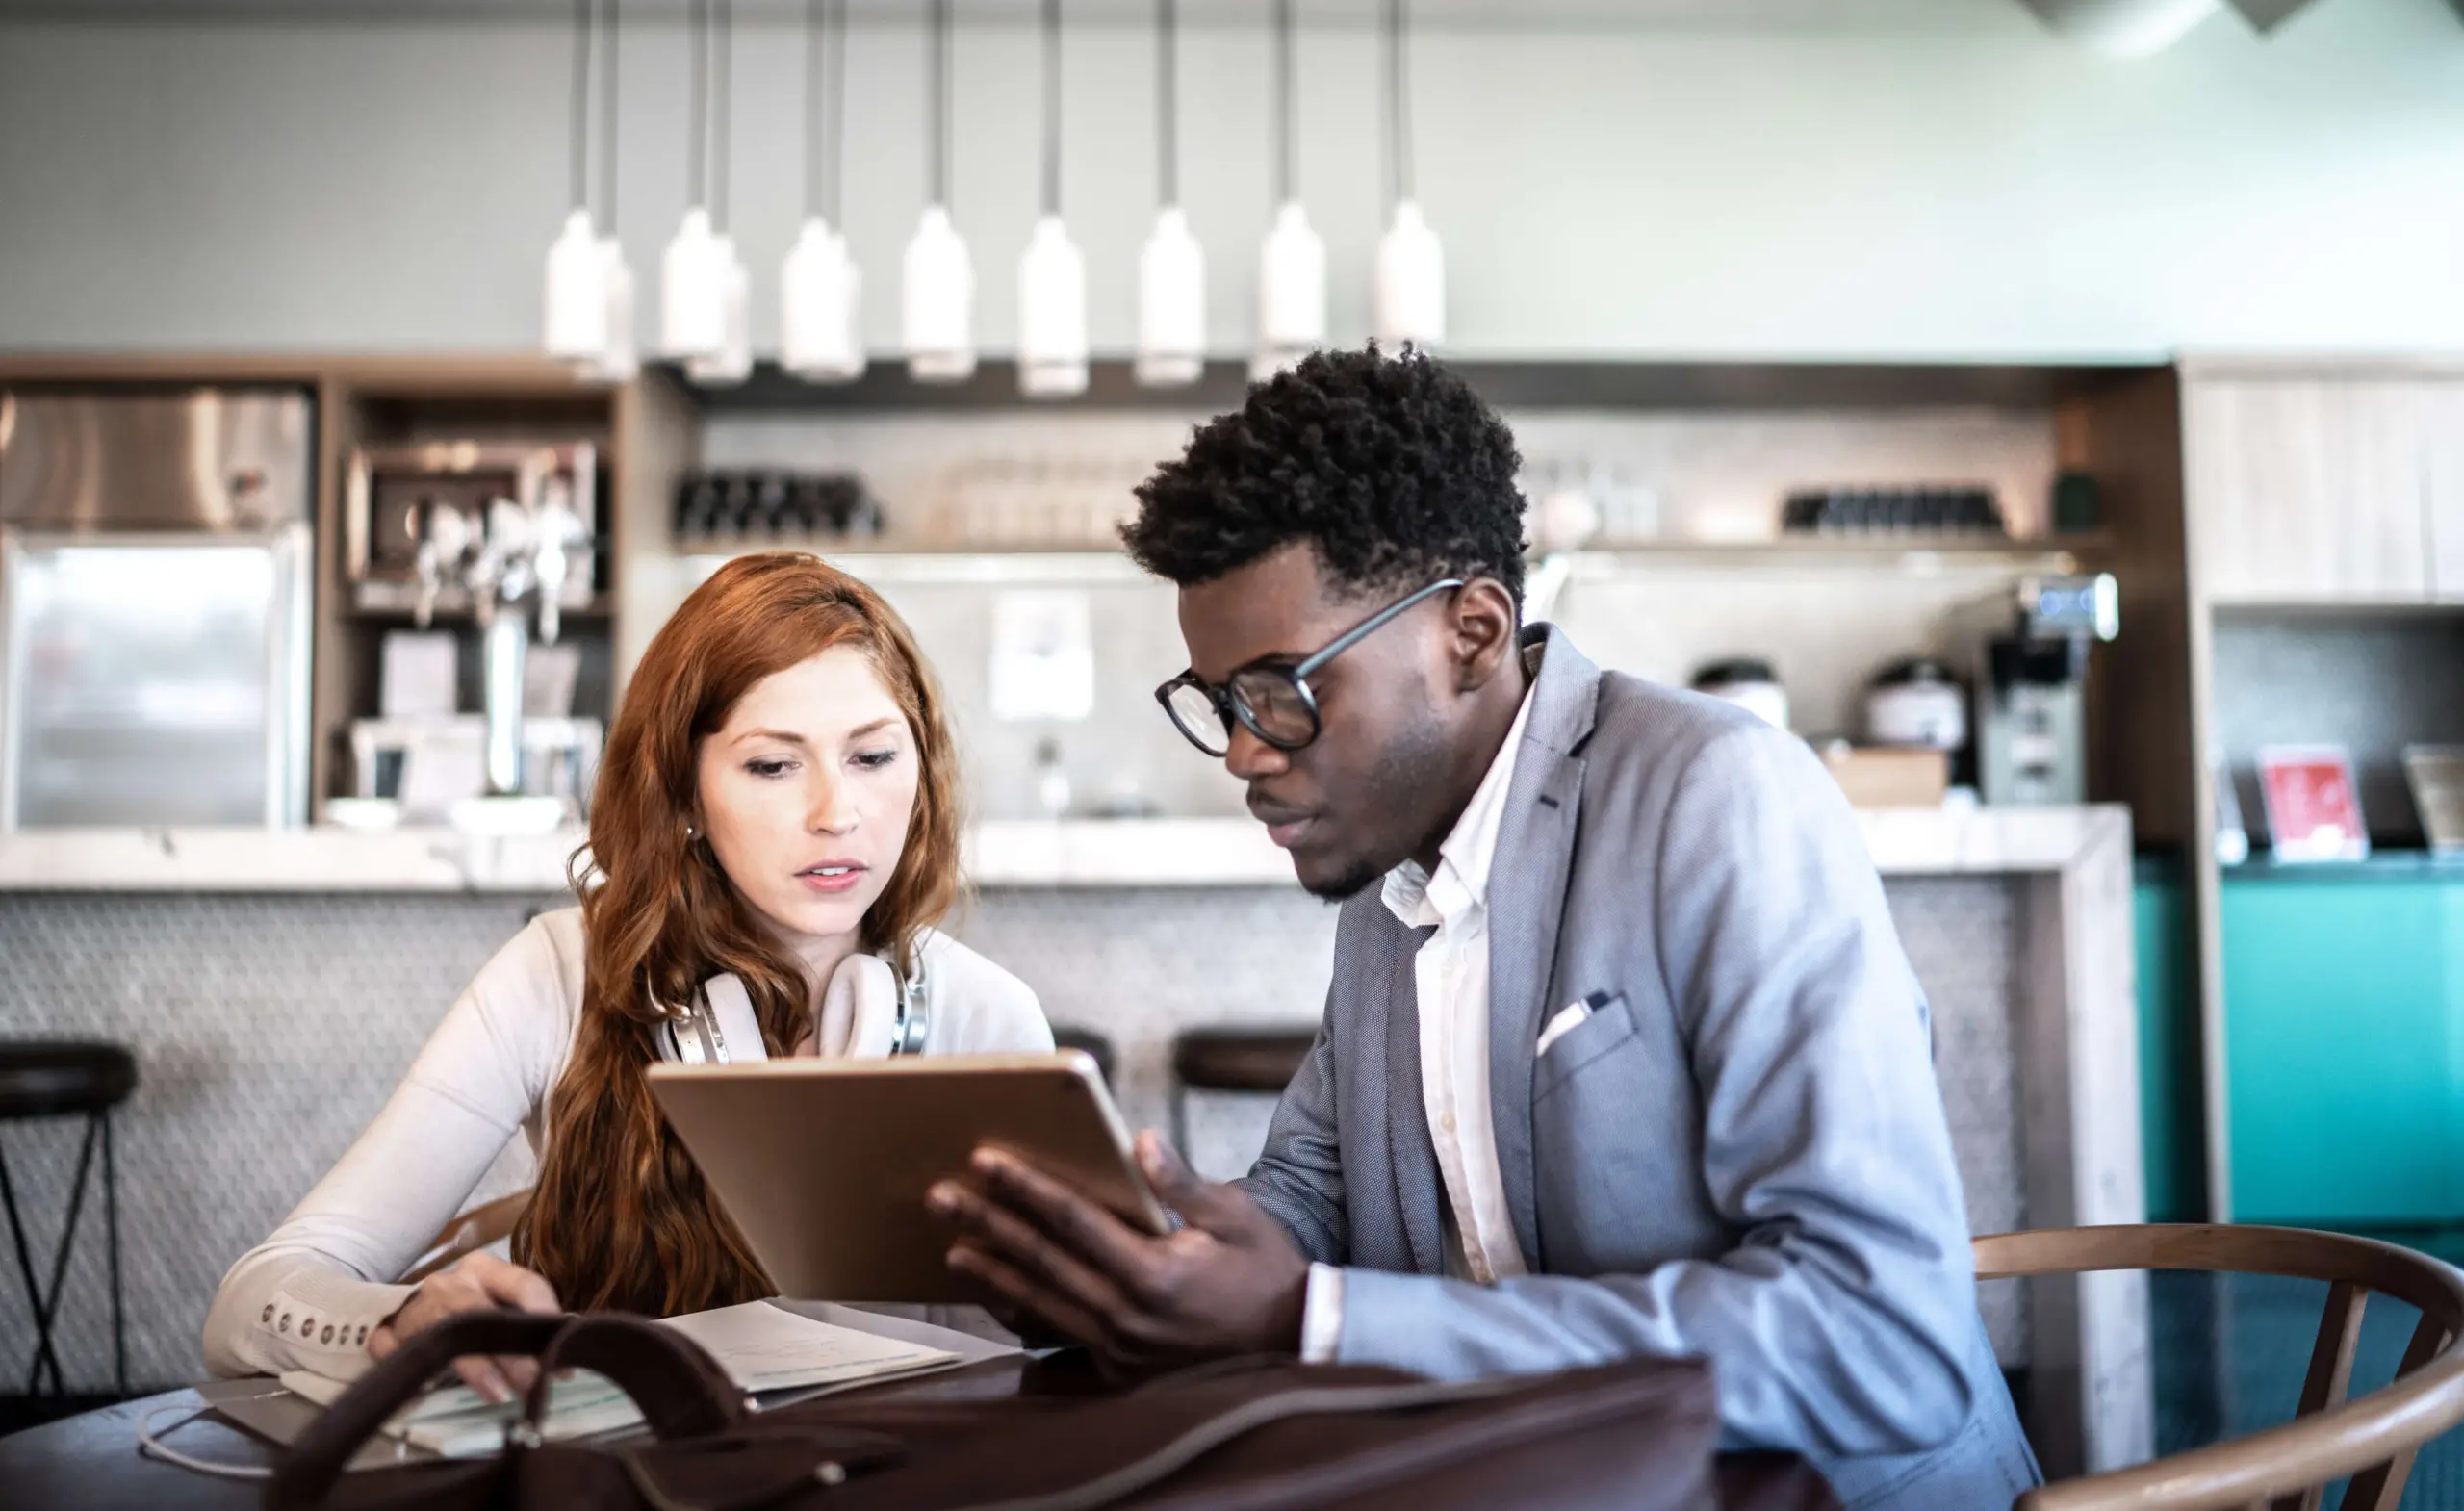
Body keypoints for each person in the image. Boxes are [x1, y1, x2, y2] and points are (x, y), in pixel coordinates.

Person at [928, 348, 2040, 1510]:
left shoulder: (1718, 796)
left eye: (1283, 691)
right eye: (1223, 705)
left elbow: (1878, 1338)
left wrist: (1306, 1316)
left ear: (1470, 629)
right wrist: (1129, 1260)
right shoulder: (1384, 872)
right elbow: (1310, 1199)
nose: (1249, 752)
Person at [206, 552, 1053, 1397]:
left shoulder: (987, 1016)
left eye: (872, 757)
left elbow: (1023, 1380)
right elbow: (250, 1301)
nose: (838, 813)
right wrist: (396, 1321)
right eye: (772, 765)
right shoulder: (556, 975)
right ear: (682, 792)